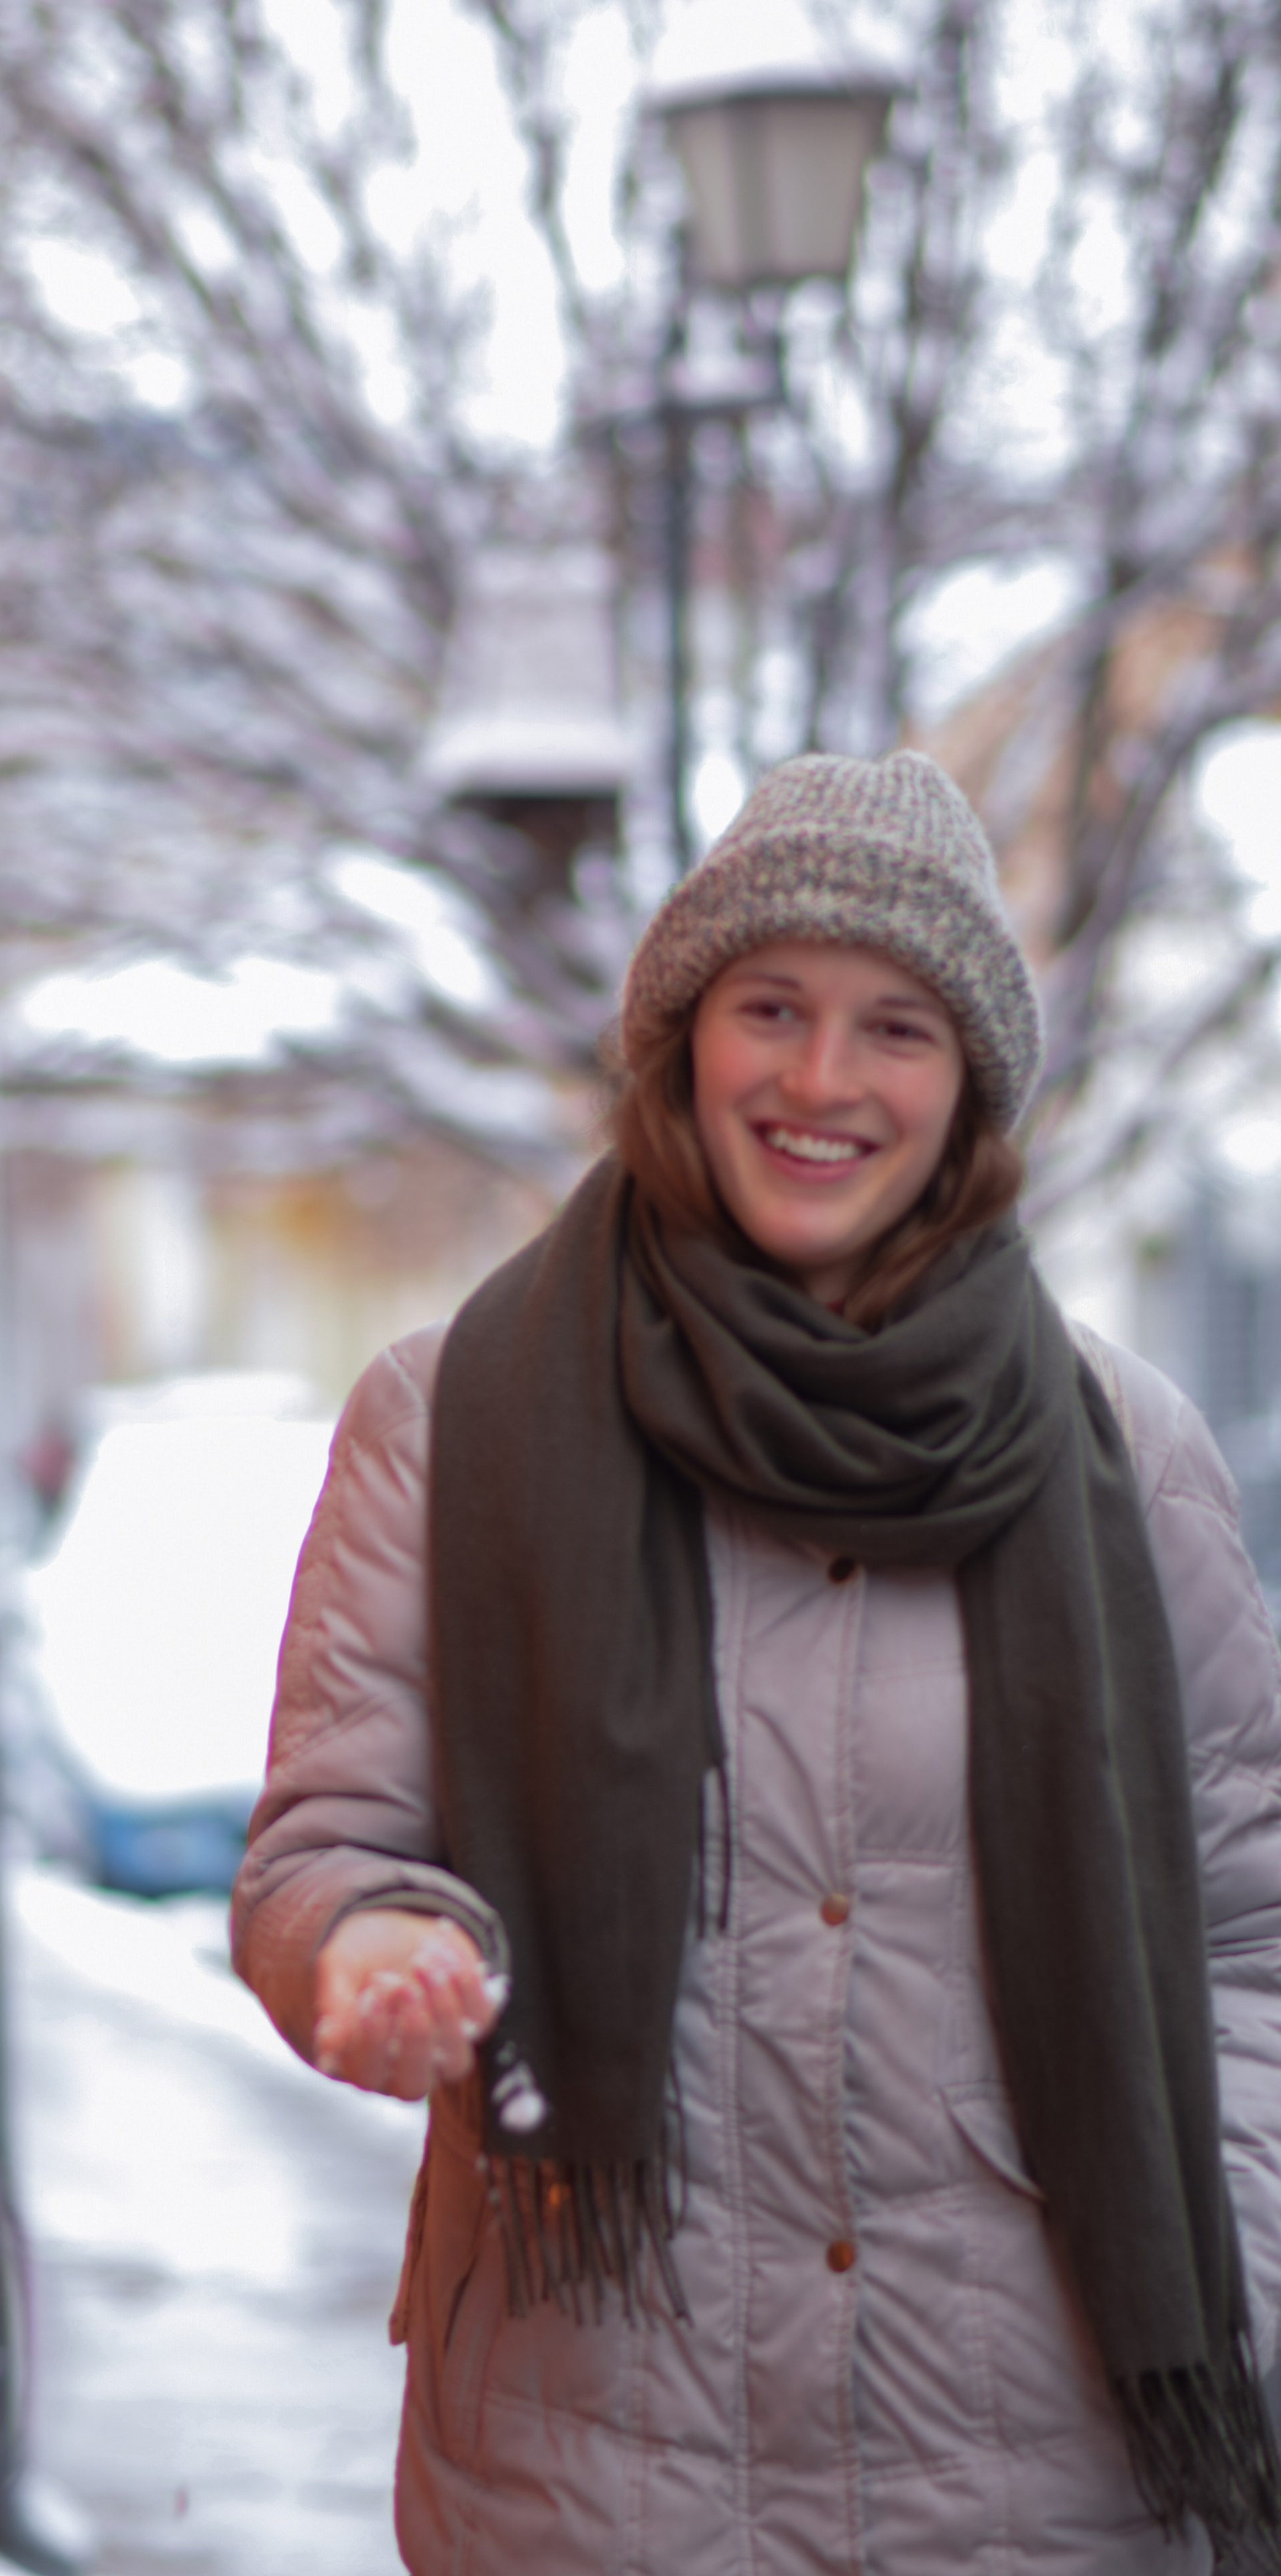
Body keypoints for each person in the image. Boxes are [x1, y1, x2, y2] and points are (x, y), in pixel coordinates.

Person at [231, 750, 1281, 2574]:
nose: (819, 1080)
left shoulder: (1134, 1449)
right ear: (681, 1041)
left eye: (895, 1029)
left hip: (1038, 2475)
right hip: (599, 2474)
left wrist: (1242, 2267)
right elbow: (327, 1849)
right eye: (770, 1009)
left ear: (966, 1094)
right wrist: (375, 1949)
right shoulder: (453, 1415)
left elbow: (1254, 1931)